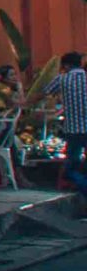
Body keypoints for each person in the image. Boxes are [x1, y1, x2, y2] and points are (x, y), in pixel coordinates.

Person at [51, 51, 87, 184]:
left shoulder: (62, 79)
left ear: (66, 65)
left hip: (73, 129)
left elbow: (43, 93)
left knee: (70, 167)